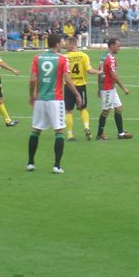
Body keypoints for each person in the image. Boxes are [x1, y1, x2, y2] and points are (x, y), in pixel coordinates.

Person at [27, 34, 82, 174]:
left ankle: (30, 163)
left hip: (40, 99)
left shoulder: (37, 58)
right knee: (59, 131)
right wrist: (76, 94)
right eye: (61, 42)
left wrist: (32, 95)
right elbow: (67, 80)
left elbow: (33, 80)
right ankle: (57, 166)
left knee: (36, 130)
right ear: (57, 44)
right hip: (55, 99)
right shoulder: (62, 59)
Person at [64, 37, 101, 141]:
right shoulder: (84, 56)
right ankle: (86, 127)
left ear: (72, 45)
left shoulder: (65, 57)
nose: (65, 46)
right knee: (83, 108)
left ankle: (70, 135)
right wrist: (99, 72)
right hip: (81, 86)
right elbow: (89, 70)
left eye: (66, 44)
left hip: (69, 86)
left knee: (69, 111)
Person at [97, 38, 132, 141]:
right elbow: (114, 75)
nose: (119, 48)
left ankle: (121, 133)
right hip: (107, 88)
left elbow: (100, 73)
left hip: (109, 87)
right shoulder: (111, 59)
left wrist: (98, 88)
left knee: (119, 108)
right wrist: (124, 88)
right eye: (118, 46)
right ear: (112, 46)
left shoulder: (104, 57)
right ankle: (99, 134)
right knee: (106, 111)